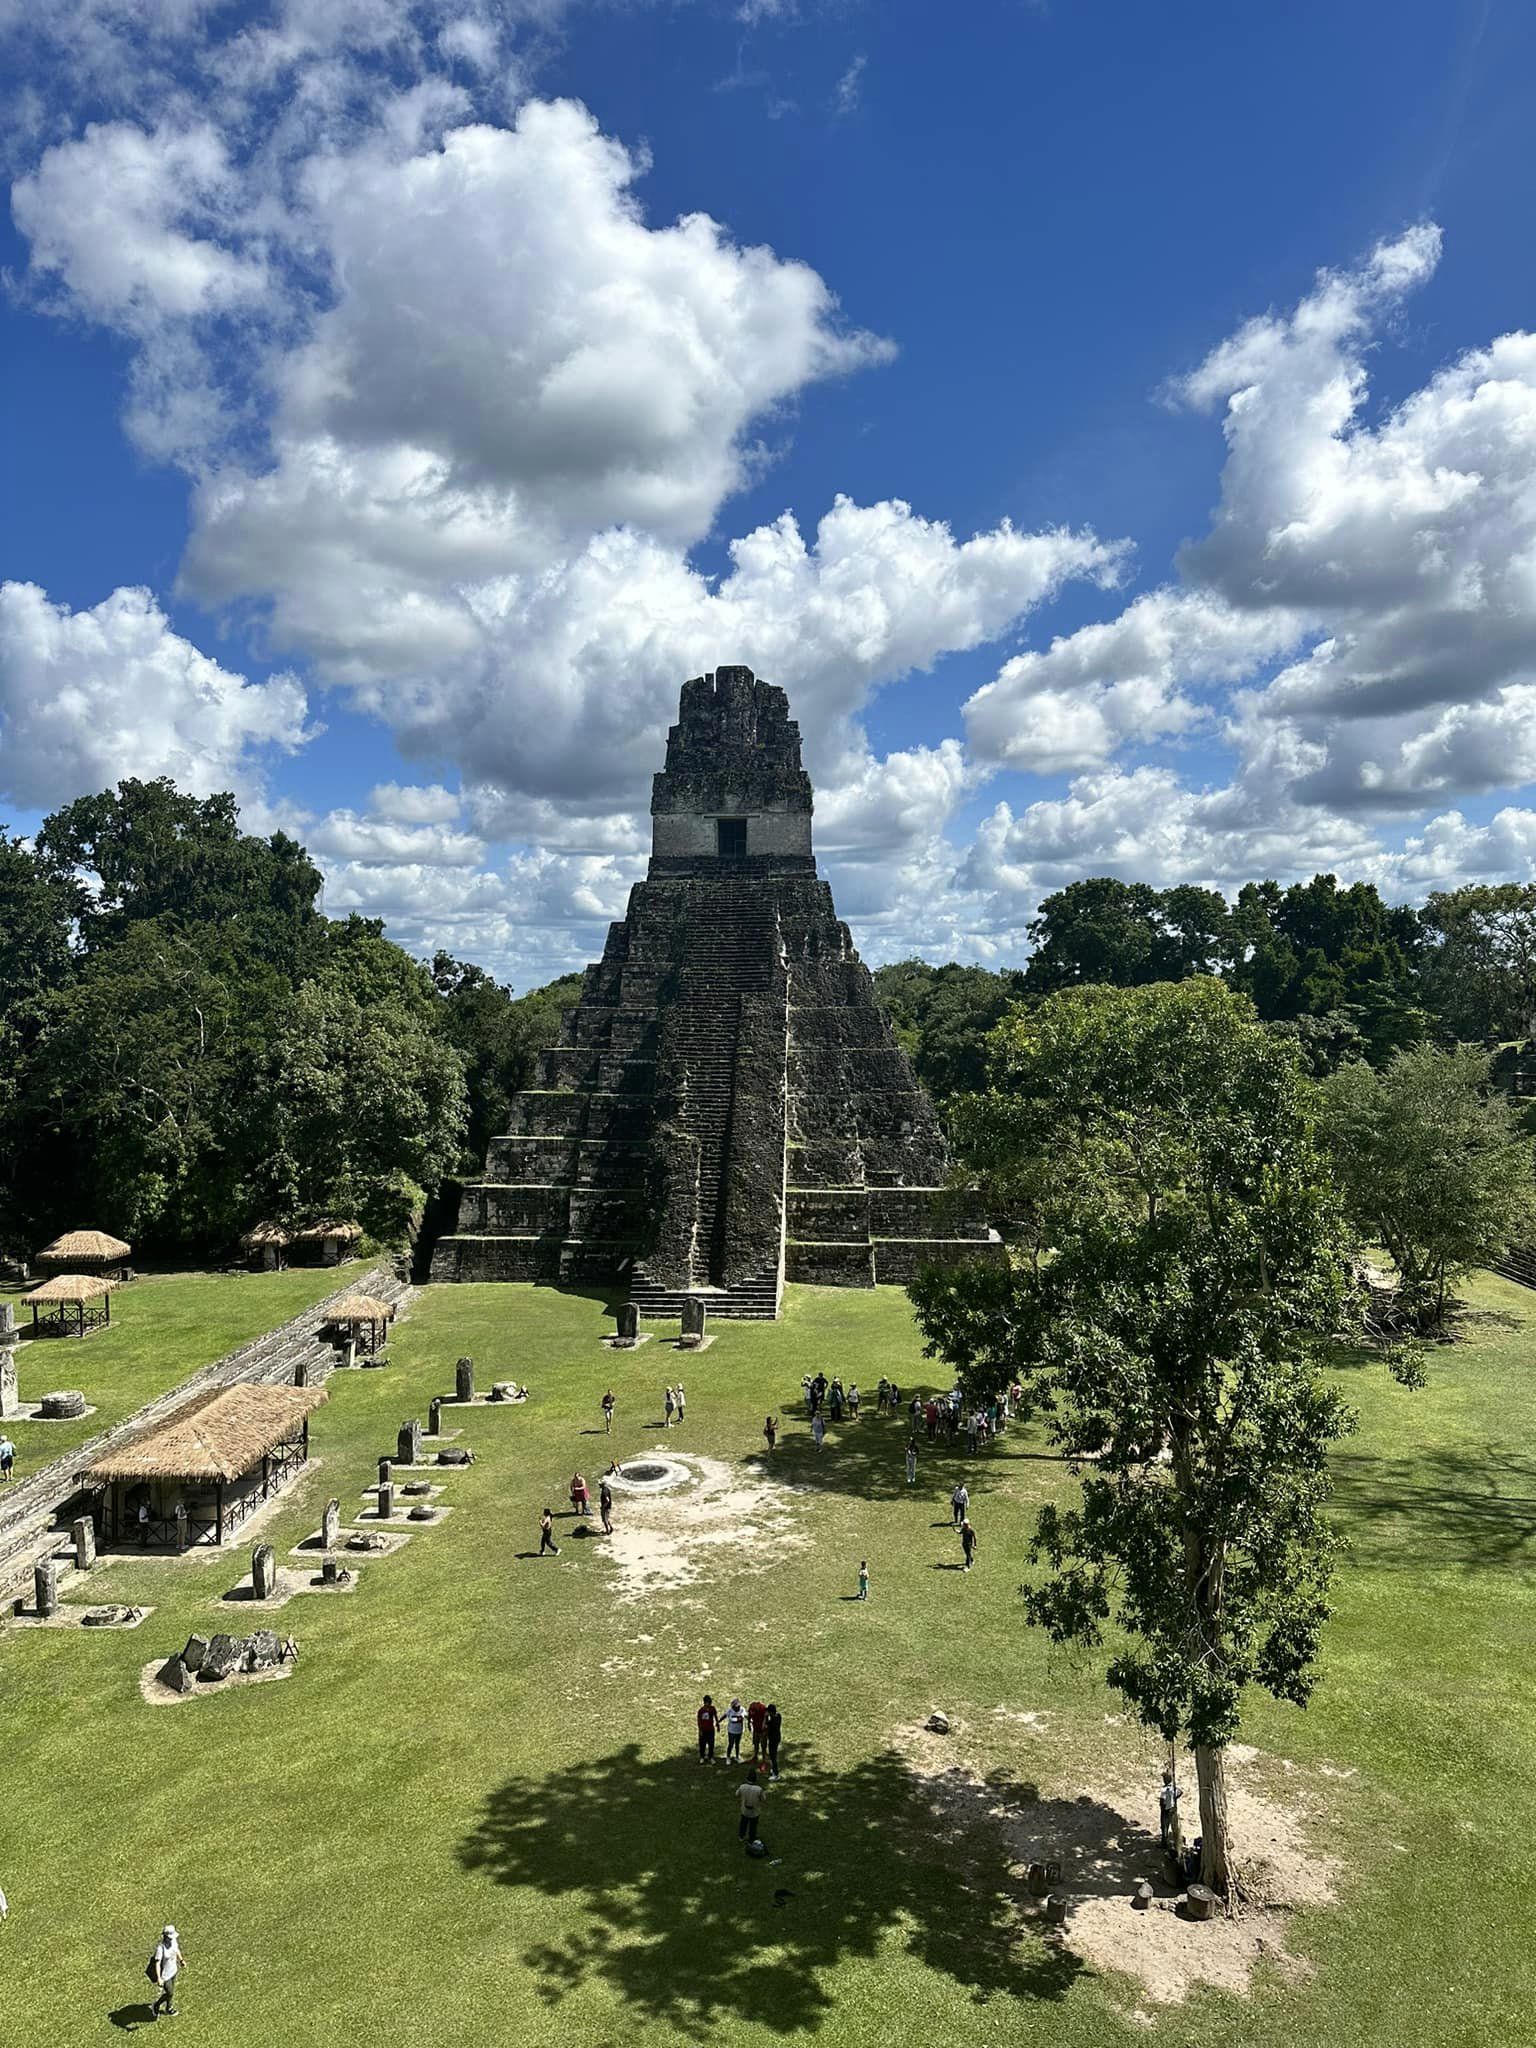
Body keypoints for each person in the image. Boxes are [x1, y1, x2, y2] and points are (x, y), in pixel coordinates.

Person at [148, 1924, 184, 2018]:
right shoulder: (160, 1948)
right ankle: (156, 2005)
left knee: (171, 1992)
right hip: (165, 1975)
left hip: (173, 1971)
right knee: (170, 1992)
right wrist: (159, 1978)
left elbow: (176, 1950)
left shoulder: (174, 1941)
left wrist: (181, 1960)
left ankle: (169, 2008)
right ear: (165, 1937)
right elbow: (157, 1963)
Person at [737, 1772, 765, 1849]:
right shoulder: (758, 1789)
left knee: (743, 1823)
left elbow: (737, 1794)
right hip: (754, 1812)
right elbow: (763, 1799)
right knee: (753, 1825)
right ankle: (751, 1838)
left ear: (747, 1778)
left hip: (744, 1810)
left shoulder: (742, 1787)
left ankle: (741, 1836)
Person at [1159, 1765, 1181, 1853]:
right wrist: (1174, 1799)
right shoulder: (1173, 1788)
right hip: (1172, 1809)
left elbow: (1162, 1800)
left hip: (1165, 1810)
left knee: (1164, 1827)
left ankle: (1164, 1843)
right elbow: (1180, 1792)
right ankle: (1175, 1843)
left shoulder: (1165, 1789)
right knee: (1174, 1826)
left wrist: (1162, 1805)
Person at [696, 1694, 720, 1763]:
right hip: (703, 1730)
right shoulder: (701, 1710)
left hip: (710, 1730)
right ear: (705, 1702)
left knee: (711, 1744)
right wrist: (700, 1730)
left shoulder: (712, 1709)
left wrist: (717, 1725)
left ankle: (711, 1757)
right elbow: (699, 1721)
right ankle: (702, 1757)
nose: (710, 1703)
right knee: (702, 1744)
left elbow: (715, 1716)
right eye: (709, 1702)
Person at [764, 1701, 783, 1779]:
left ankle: (776, 1774)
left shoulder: (771, 1722)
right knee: (773, 1755)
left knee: (773, 1757)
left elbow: (764, 1726)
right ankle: (774, 1770)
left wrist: (765, 1717)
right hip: (777, 1738)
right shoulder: (778, 1716)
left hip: (773, 1740)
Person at [747, 1697, 768, 1763]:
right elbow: (749, 1717)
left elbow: (766, 1716)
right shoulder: (751, 1707)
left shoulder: (762, 1708)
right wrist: (749, 1724)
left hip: (763, 1731)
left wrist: (764, 1726)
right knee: (756, 1743)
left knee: (763, 1745)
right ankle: (755, 1757)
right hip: (756, 1729)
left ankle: (764, 1760)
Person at [725, 1697, 746, 1762]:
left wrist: (750, 1721)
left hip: (739, 1730)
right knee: (731, 1744)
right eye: (735, 1707)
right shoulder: (730, 1710)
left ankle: (737, 1756)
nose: (737, 1708)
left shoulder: (742, 1709)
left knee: (737, 1744)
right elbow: (725, 1715)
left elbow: (743, 1717)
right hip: (731, 1731)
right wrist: (718, 1721)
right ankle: (728, 1757)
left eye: (738, 1706)